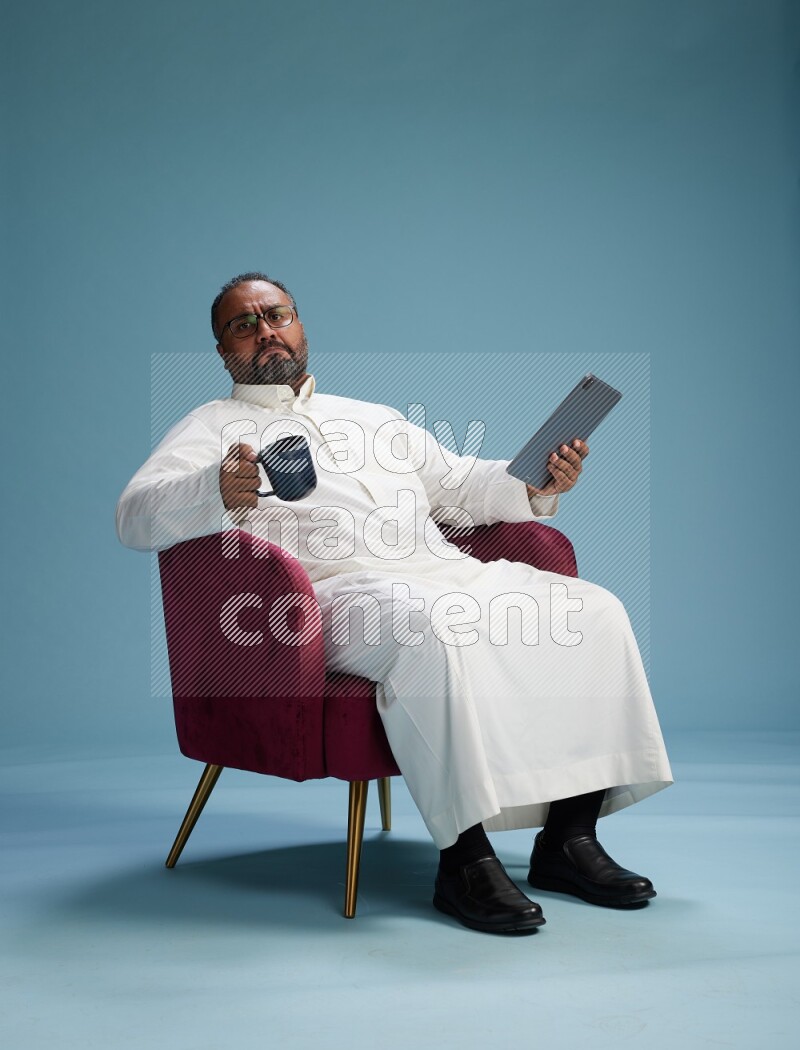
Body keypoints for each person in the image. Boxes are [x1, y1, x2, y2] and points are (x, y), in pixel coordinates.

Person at [116, 272, 673, 934]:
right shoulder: (209, 426)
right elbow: (134, 516)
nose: (265, 331)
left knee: (592, 611)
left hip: (442, 571)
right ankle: (465, 862)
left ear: (300, 324)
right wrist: (216, 487)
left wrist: (537, 479)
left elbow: (460, 486)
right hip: (326, 598)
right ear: (222, 349)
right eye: (244, 324)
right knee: (429, 630)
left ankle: (569, 840)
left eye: (277, 315)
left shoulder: (373, 418)